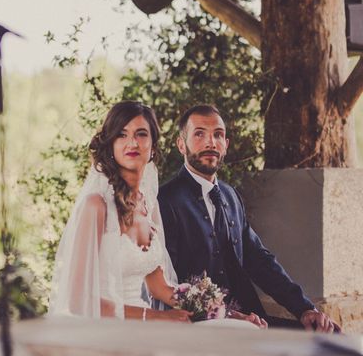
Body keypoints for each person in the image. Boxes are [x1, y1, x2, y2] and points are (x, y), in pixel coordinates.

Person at [158, 104, 339, 332]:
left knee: (330, 338)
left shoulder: (230, 195)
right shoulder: (165, 200)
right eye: (199, 134)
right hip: (200, 327)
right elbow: (170, 284)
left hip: (253, 319)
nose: (210, 142)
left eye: (218, 135)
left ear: (226, 145)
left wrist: (304, 309)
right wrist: (227, 315)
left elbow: (260, 261)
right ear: (181, 144)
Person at [49, 101, 191, 322]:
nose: (132, 142)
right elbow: (78, 302)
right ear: (111, 145)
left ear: (153, 147)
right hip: (103, 329)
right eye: (122, 135)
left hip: (144, 324)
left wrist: (214, 306)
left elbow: (160, 288)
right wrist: (153, 317)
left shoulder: (148, 205)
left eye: (141, 134)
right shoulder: (96, 205)